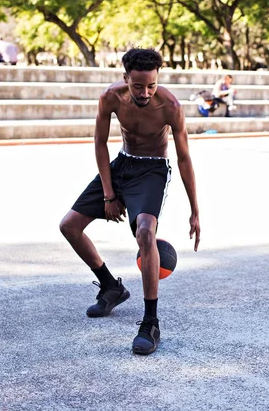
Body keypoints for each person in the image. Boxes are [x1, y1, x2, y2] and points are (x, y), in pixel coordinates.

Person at [59, 48, 201, 356]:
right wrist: (109, 193)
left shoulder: (170, 106)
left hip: (152, 169)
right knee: (69, 226)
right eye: (138, 86)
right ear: (126, 79)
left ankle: (150, 322)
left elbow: (184, 158)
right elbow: (99, 143)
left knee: (145, 232)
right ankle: (111, 286)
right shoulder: (110, 97)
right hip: (122, 164)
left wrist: (195, 209)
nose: (146, 92)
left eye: (151, 85)